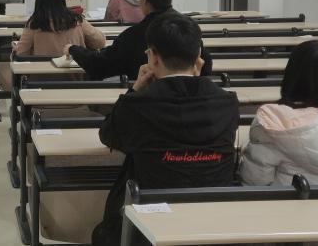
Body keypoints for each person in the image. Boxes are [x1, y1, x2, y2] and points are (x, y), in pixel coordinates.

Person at [91, 13, 239, 246]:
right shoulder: (228, 103)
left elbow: (108, 135)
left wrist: (135, 90)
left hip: (151, 221)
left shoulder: (138, 104)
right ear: (198, 57)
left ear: (153, 58)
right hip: (213, 218)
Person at [239, 40, 318, 186]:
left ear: (292, 73)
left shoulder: (273, 122)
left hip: (293, 199)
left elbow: (256, 182)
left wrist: (247, 147)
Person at [67, 0, 212, 80]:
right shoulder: (188, 28)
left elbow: (99, 65)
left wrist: (74, 50)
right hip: (189, 98)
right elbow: (205, 64)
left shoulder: (133, 35)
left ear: (143, 0)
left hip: (146, 101)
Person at [14, 0, 105, 56]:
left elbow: (20, 53)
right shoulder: (76, 20)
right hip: (75, 71)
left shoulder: (34, 24)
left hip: (42, 72)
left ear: (39, 2)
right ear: (62, 0)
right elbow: (100, 42)